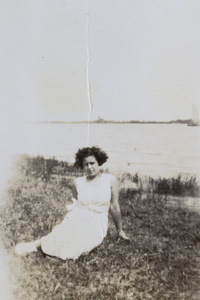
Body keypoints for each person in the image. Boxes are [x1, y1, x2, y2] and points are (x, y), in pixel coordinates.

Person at [15, 146, 129, 260]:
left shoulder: (110, 180)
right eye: (86, 164)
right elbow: (76, 206)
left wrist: (120, 231)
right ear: (82, 166)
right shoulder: (78, 182)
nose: (89, 167)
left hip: (97, 223)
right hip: (78, 217)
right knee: (61, 233)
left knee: (82, 241)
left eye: (92, 163)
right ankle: (36, 245)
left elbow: (114, 206)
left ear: (99, 162)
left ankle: (56, 255)